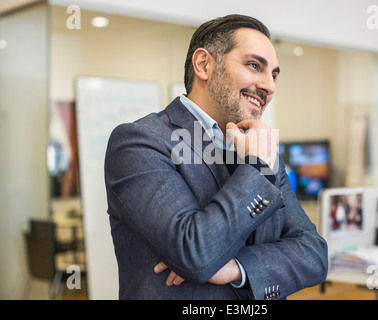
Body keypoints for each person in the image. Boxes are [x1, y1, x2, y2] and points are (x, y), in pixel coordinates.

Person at [104, 14, 328, 300]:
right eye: (254, 65)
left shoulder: (262, 150)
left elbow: (314, 253)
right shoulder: (139, 142)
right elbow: (195, 253)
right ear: (204, 64)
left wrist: (237, 267)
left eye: (273, 75)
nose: (269, 87)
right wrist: (258, 170)